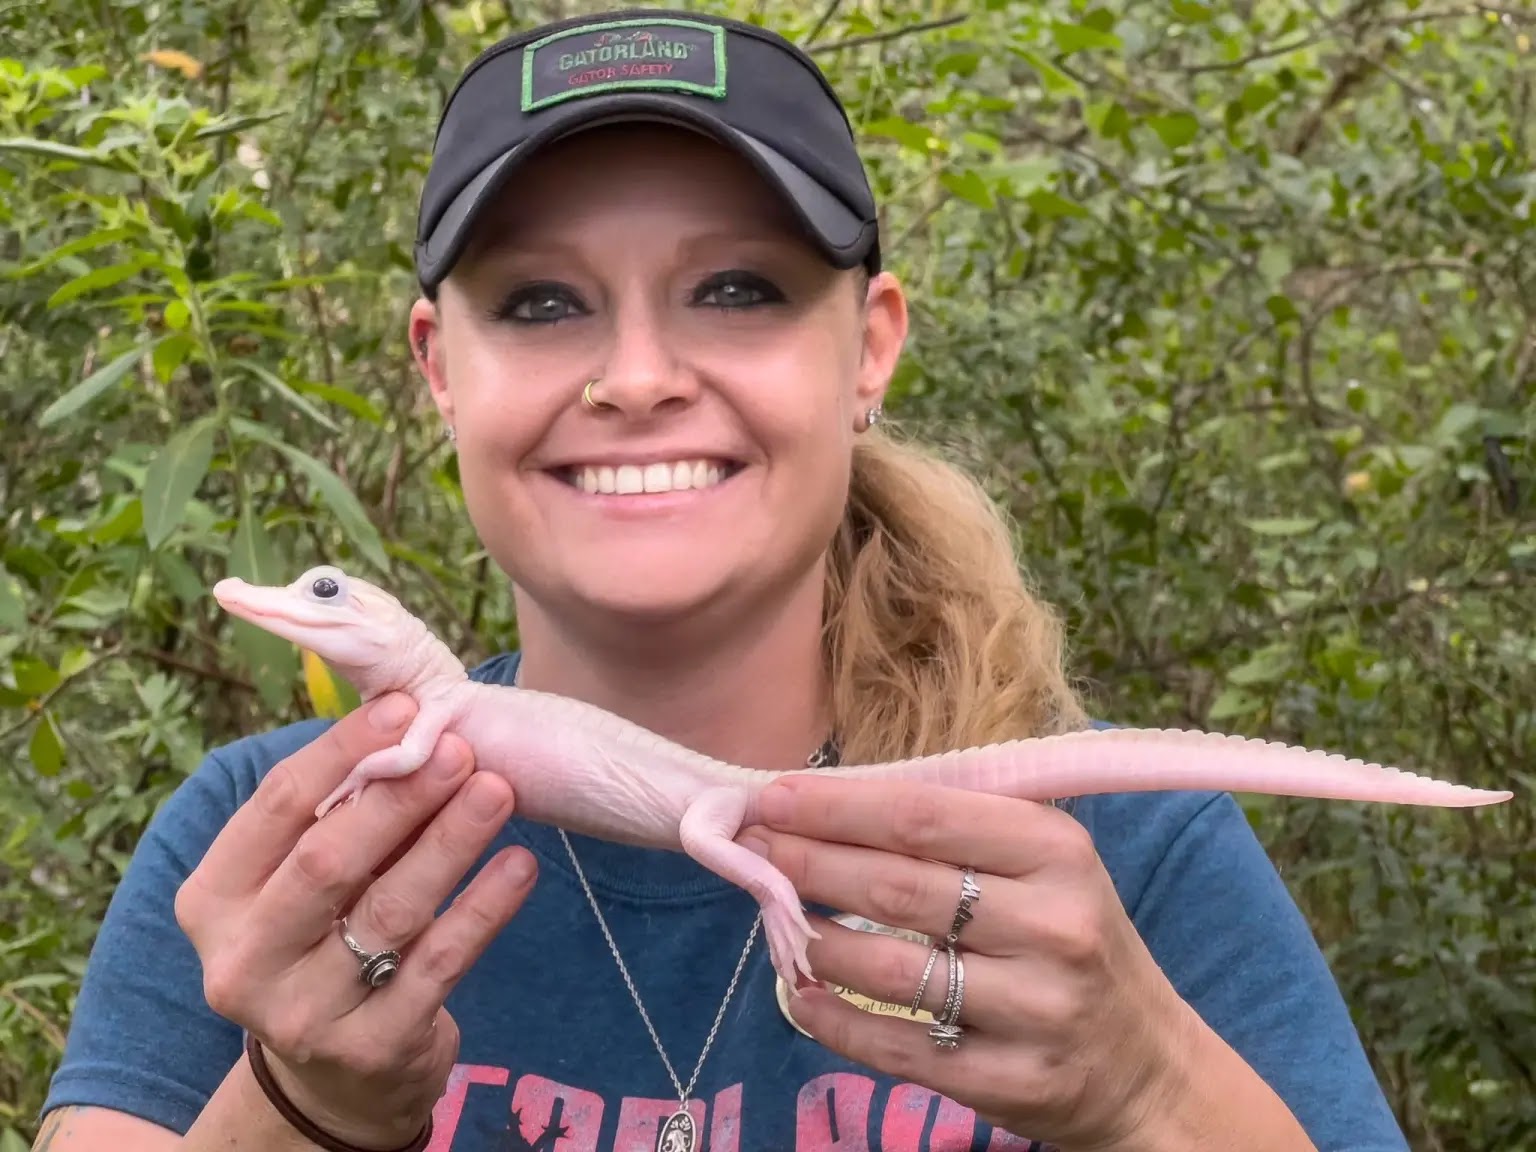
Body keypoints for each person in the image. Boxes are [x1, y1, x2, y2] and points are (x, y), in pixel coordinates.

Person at [34, 8, 1413, 1152]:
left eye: (740, 289)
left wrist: (1148, 1088)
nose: (636, 380)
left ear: (868, 349)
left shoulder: (1134, 854)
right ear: (437, 370)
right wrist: (298, 1102)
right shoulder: (259, 847)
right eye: (540, 302)